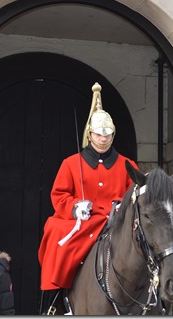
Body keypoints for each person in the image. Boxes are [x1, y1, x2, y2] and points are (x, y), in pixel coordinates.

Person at [37, 82, 138, 314]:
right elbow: (59, 195)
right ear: (89, 134)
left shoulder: (127, 164)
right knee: (55, 234)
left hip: (115, 222)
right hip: (83, 221)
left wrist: (123, 206)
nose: (103, 139)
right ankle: (56, 297)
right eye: (98, 134)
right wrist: (74, 208)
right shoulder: (71, 164)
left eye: (108, 134)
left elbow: (133, 195)